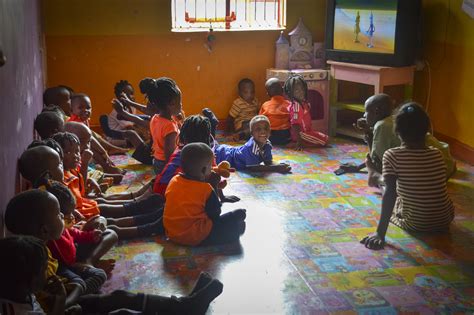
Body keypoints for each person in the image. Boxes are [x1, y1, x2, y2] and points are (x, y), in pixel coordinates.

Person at [5, 190, 223, 314]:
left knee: (119, 297)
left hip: (66, 301)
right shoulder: (27, 288)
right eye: (58, 214)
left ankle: (185, 305)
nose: (63, 216)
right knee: (123, 313)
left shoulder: (30, 259)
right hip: (65, 305)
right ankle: (186, 307)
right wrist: (65, 296)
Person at [361, 103, 455, 250]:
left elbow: (390, 194)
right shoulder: (437, 153)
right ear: (426, 131)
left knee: (389, 189)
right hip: (445, 220)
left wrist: (380, 233)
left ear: (396, 131)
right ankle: (376, 175)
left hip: (416, 223)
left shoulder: (392, 155)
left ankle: (374, 175)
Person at [4, 189, 82, 310]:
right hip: (55, 303)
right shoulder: (34, 267)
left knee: (79, 285)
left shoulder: (37, 249)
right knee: (83, 285)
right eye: (58, 213)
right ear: (44, 231)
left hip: (58, 288)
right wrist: (62, 301)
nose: (62, 215)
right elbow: (48, 302)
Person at [164, 143, 247, 246]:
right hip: (196, 237)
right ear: (203, 170)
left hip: (172, 233)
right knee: (238, 220)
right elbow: (215, 215)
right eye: (210, 166)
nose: (212, 169)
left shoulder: (174, 180)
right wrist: (214, 186)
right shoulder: (205, 189)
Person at [44, 179, 116, 288]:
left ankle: (89, 262)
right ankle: (90, 265)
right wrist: (78, 267)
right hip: (69, 266)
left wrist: (91, 235)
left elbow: (73, 233)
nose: (70, 217)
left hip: (75, 254)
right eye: (66, 215)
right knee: (98, 276)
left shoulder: (56, 224)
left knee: (111, 233)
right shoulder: (50, 240)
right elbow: (61, 265)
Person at [0, 236, 66, 315]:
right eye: (45, 269)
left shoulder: (23, 294)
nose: (49, 273)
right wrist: (61, 301)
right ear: (33, 280)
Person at [215, 115, 292, 173]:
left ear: (270, 131)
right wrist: (277, 168)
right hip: (225, 155)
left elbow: (268, 161)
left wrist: (279, 165)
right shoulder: (251, 147)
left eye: (266, 128)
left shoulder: (268, 144)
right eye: (258, 129)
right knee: (210, 152)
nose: (263, 131)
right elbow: (253, 168)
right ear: (251, 133)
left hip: (231, 151)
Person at [146, 77, 183, 174]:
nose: (181, 105)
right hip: (166, 164)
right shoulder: (170, 127)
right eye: (180, 102)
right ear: (172, 104)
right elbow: (169, 156)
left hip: (157, 160)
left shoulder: (155, 118)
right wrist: (172, 172)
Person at [284, 75, 329, 150]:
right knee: (326, 141)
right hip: (302, 134)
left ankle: (302, 143)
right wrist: (299, 141)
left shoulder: (302, 102)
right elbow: (295, 124)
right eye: (297, 90)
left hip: (307, 132)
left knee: (325, 138)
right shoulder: (296, 106)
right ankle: (301, 144)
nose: (301, 92)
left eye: (302, 89)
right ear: (291, 93)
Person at [259, 78, 291, 145]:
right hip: (285, 136)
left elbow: (260, 121)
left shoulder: (265, 105)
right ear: (282, 90)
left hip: (270, 137)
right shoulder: (289, 104)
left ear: (268, 94)